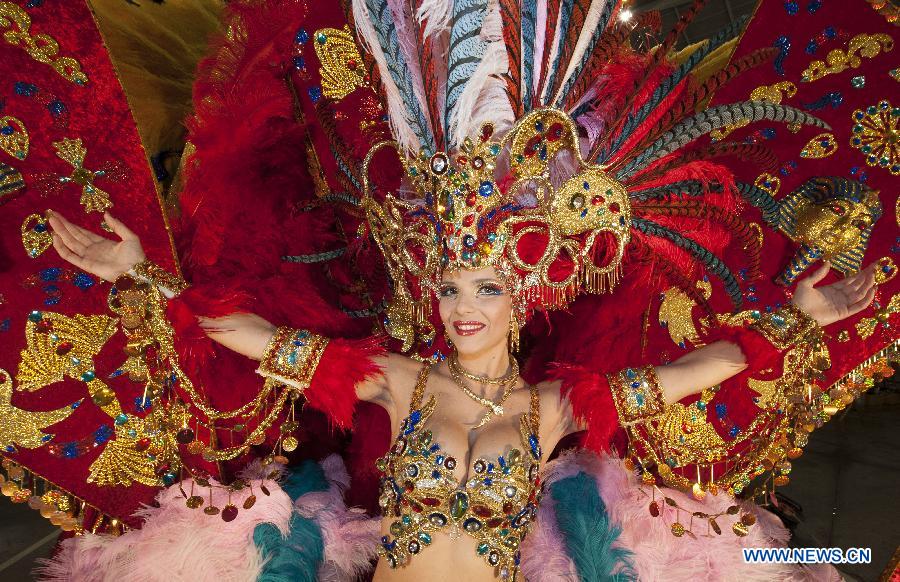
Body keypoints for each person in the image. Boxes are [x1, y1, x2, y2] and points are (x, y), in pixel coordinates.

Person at [35, 1, 881, 580]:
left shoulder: (556, 409)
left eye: (483, 286)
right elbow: (247, 337)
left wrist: (792, 319)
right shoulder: (399, 384)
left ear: (523, 297)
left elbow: (701, 369)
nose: (460, 306)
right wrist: (142, 274)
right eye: (446, 286)